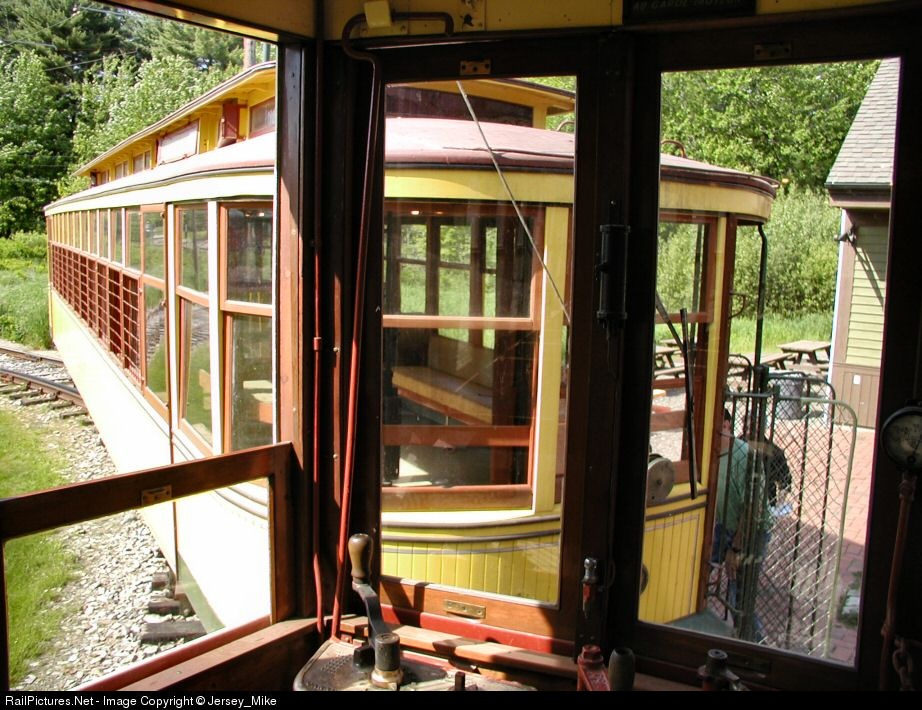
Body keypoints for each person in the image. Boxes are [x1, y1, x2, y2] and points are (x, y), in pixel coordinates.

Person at [712, 408, 773, 643]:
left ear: (726, 425)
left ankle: (755, 644)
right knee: (696, 571)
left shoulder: (746, 456)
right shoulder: (709, 452)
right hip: (723, 525)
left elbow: (753, 510)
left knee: (740, 598)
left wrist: (736, 549)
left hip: (750, 531)